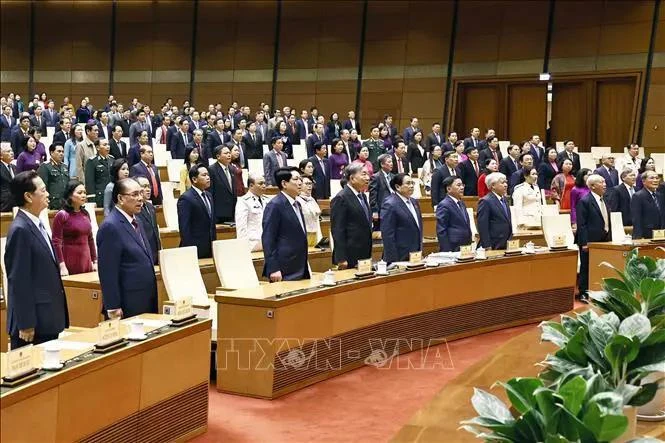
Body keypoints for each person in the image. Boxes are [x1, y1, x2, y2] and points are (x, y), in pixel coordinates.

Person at [5, 171, 69, 347]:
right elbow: (18, 279)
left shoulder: (37, 224)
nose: (48, 194)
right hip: (32, 325)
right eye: (43, 190)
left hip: (47, 318)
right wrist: (26, 323)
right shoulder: (21, 230)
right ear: (28, 196)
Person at [97, 178, 158, 319]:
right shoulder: (110, 226)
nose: (140, 198)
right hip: (127, 302)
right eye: (135, 194)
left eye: (141, 194)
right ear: (120, 198)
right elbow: (108, 271)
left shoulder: (138, 221)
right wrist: (113, 306)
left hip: (146, 298)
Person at [261, 167, 310, 282]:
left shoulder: (297, 203)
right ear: (284, 183)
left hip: (300, 266)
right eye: (296, 179)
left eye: (301, 179)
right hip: (283, 269)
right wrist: (273, 268)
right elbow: (268, 239)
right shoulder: (275, 205)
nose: (300, 183)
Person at [331, 163, 373, 268]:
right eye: (363, 174)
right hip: (349, 255)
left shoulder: (362, 195)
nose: (367, 178)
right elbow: (338, 230)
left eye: (368, 174)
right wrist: (341, 257)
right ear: (352, 178)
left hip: (364, 252)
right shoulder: (341, 198)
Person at [52, 180, 97, 276]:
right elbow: (56, 242)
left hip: (86, 260)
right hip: (70, 261)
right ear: (70, 195)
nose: (83, 195)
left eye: (85, 192)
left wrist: (95, 261)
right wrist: (62, 266)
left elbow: (90, 239)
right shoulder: (62, 215)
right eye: (79, 193)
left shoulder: (85, 214)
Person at [576, 174, 610, 301]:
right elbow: (582, 224)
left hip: (604, 238)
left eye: (604, 181)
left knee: (600, 266)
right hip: (589, 240)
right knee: (586, 266)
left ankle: (599, 291)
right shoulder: (584, 201)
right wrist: (585, 243)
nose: (605, 184)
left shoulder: (604, 199)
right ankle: (583, 292)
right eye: (601, 182)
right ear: (592, 186)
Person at [380, 173, 423, 263]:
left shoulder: (414, 202)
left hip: (415, 254)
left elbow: (418, 228)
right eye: (408, 183)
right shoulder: (390, 204)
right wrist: (393, 260)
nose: (411, 186)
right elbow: (388, 234)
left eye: (412, 183)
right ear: (397, 187)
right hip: (399, 256)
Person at [177, 165, 215, 259]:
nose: (208, 177)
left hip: (210, 248)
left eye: (208, 175)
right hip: (195, 250)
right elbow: (184, 228)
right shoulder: (186, 198)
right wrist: (190, 251)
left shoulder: (209, 196)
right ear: (194, 179)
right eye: (204, 175)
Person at [436, 176, 473, 252]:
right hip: (452, 247)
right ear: (449, 189)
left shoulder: (461, 203)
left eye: (462, 185)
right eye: (458, 185)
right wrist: (447, 250)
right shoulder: (444, 205)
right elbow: (441, 230)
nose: (462, 187)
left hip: (465, 245)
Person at [477, 172, 512, 250]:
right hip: (493, 244)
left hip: (505, 242)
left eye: (506, 182)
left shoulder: (505, 200)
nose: (506, 185)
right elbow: (482, 225)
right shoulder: (485, 201)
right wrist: (486, 245)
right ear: (493, 185)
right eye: (502, 182)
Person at [235, 173, 268, 252]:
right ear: (251, 186)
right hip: (252, 244)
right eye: (260, 183)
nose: (264, 186)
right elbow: (241, 227)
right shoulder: (243, 201)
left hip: (267, 243)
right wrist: (243, 248)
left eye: (264, 183)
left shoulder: (267, 200)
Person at [135, 176, 161, 264]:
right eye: (144, 186)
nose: (148, 189)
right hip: (143, 254)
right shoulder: (134, 209)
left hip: (155, 253)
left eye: (149, 186)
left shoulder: (150, 207)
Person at [631, 170, 665, 239]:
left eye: (657, 178)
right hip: (646, 235)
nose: (655, 180)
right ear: (643, 181)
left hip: (661, 234)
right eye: (652, 178)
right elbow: (636, 219)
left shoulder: (660, 196)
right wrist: (638, 237)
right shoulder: (638, 196)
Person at [209, 144, 237, 223]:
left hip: (232, 211)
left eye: (229, 153)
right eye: (226, 153)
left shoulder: (232, 169)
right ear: (218, 156)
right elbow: (210, 193)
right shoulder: (212, 170)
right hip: (219, 213)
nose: (229, 155)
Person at [37, 143, 69, 210]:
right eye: (59, 151)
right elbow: (42, 187)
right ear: (51, 152)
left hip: (65, 202)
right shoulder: (45, 166)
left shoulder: (65, 166)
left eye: (63, 152)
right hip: (53, 203)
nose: (61, 154)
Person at [84, 138, 114, 208]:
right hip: (100, 197)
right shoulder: (92, 161)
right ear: (97, 147)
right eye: (105, 145)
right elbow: (90, 182)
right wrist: (92, 200)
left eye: (108, 144)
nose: (108, 147)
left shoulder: (112, 159)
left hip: (112, 195)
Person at [298, 175, 322, 246]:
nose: (309, 186)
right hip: (304, 234)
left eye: (310, 183)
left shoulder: (312, 199)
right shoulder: (297, 200)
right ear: (300, 185)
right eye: (306, 184)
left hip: (315, 232)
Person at [0, 144, 16, 211]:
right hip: (3, 205)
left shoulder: (14, 167)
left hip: (15, 204)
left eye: (12, 151)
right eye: (8, 151)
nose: (11, 153)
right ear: (1, 155)